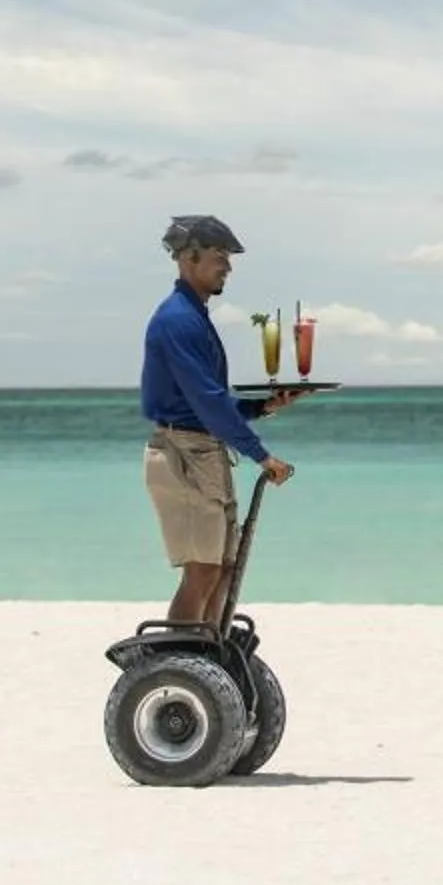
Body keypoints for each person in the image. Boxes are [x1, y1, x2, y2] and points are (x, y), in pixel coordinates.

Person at [140, 214, 296, 628]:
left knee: (223, 568)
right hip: (183, 454)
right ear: (188, 258)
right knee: (203, 571)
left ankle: (209, 652)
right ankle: (182, 658)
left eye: (228, 257)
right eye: (219, 256)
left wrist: (263, 407)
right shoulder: (177, 320)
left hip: (203, 451)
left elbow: (208, 402)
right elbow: (208, 403)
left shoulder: (194, 316)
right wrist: (260, 455)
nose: (227, 266)